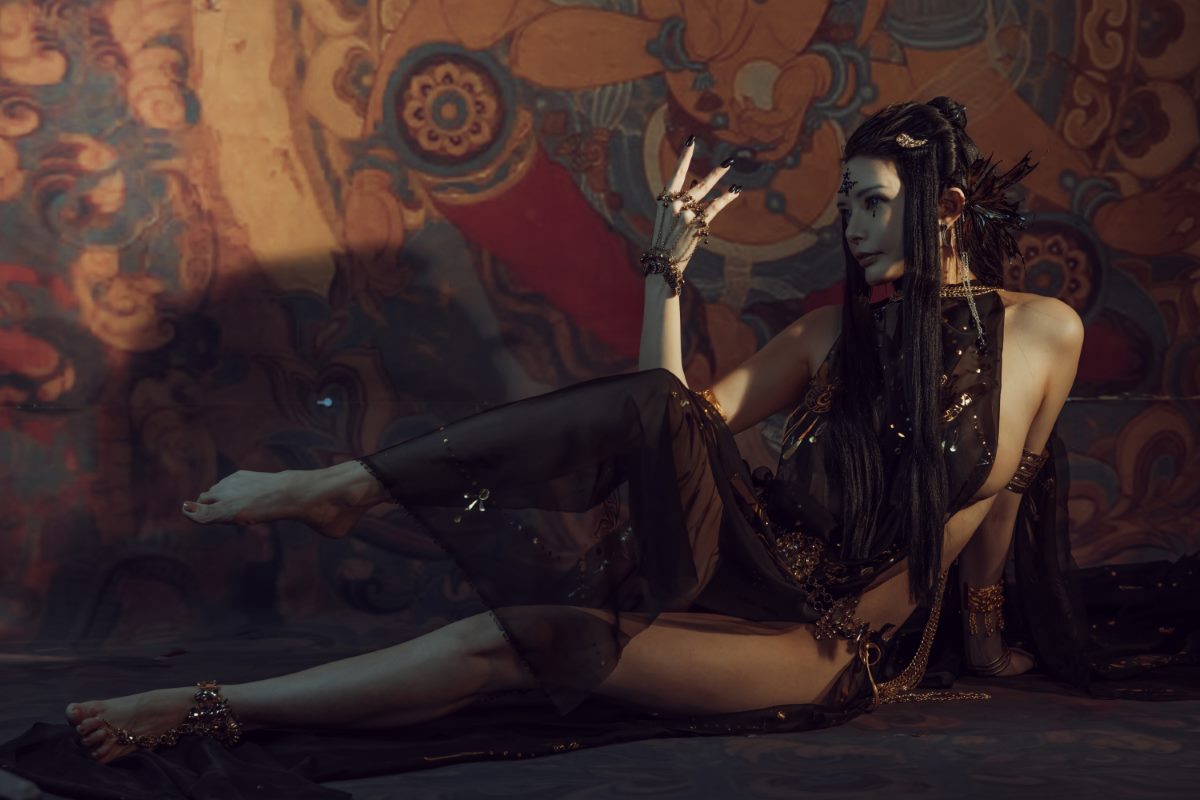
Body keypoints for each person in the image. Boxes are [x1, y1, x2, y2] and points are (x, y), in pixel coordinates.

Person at [46, 97, 1088, 774]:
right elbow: (668, 423)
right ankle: (348, 486)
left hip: (821, 644)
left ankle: (205, 703)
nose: (850, 231)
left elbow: (1005, 495)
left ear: (945, 207)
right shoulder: (828, 336)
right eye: (845, 208)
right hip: (743, 565)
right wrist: (665, 276)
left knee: (513, 640)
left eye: (871, 206)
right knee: (665, 408)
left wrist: (985, 634)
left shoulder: (1048, 333)